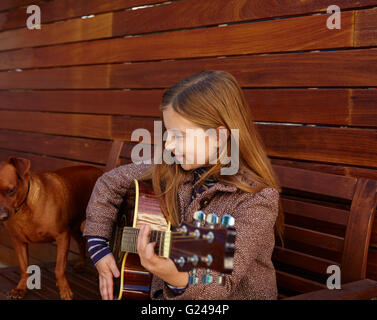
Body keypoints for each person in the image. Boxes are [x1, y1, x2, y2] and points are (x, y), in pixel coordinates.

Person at [83, 70, 284, 300]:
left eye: (179, 136)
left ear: (219, 137)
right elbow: (109, 182)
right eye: (168, 133)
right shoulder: (172, 168)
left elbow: (221, 281)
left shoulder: (256, 198)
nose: (167, 145)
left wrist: (176, 277)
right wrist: (98, 245)